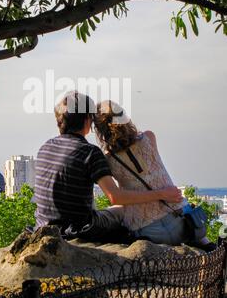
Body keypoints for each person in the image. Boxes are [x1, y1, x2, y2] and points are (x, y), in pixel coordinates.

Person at [34, 91, 183, 244]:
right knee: (120, 211)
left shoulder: (45, 147)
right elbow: (115, 197)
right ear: (87, 121)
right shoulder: (89, 152)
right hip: (78, 230)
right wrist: (161, 194)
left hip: (42, 228)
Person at [94, 100, 215, 250]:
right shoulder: (149, 138)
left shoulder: (109, 160)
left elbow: (121, 198)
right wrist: (162, 194)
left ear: (100, 130)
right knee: (206, 243)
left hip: (148, 232)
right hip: (181, 223)